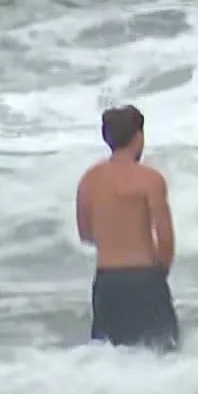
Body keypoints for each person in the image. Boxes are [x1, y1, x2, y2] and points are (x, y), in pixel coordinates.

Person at [75, 105, 179, 350]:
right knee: (163, 354)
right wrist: (158, 275)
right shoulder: (150, 179)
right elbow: (165, 238)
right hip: (144, 278)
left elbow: (86, 234)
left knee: (108, 357)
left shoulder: (89, 179)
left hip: (107, 282)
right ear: (138, 137)